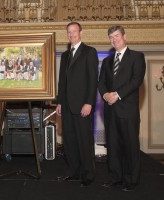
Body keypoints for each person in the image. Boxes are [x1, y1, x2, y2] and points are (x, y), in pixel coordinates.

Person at [98, 25, 146, 192]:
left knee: (130, 147)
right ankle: (115, 178)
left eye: (117, 36)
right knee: (113, 146)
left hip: (127, 111)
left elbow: (136, 80)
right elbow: (101, 82)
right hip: (110, 111)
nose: (114, 40)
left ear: (124, 36)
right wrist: (105, 95)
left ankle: (131, 181)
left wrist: (116, 94)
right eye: (111, 37)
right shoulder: (107, 61)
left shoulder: (137, 57)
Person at [56, 22, 99, 187]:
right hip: (66, 106)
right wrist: (59, 102)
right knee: (70, 141)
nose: (71, 34)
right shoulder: (66, 55)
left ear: (81, 32)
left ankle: (88, 175)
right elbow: (62, 82)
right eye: (69, 32)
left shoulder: (89, 52)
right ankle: (74, 172)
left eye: (74, 31)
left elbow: (92, 80)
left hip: (83, 106)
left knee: (84, 141)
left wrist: (89, 102)